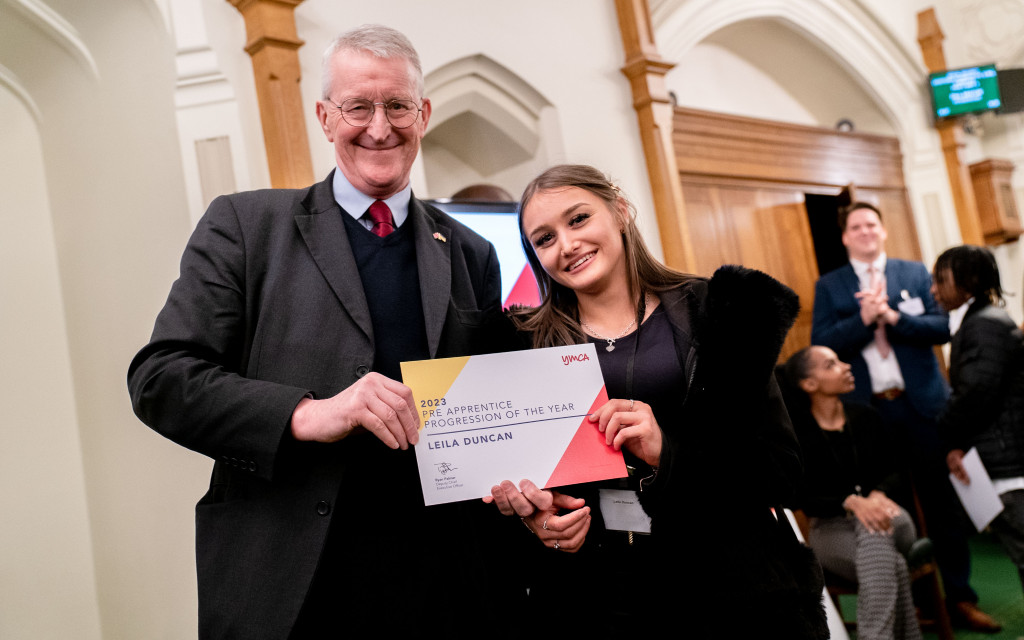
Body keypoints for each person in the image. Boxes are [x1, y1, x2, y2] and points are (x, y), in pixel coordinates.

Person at [128, 24, 523, 639]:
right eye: (357, 106)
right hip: (298, 586)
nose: (379, 127)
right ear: (323, 115)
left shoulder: (471, 252)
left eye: (396, 106)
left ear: (423, 113)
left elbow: (497, 411)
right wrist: (308, 414)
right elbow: (161, 380)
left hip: (447, 583)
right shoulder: (245, 226)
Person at [487, 164, 827, 637]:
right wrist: (538, 521)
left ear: (620, 210)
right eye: (544, 239)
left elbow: (781, 471)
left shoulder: (721, 314)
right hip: (600, 599)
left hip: (731, 591)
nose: (566, 245)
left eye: (578, 219)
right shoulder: (522, 346)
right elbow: (511, 489)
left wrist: (668, 452)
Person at [811, 202, 1000, 631]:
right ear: (845, 236)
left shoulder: (915, 273)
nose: (864, 232)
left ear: (883, 230)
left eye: (871, 224)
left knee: (941, 505)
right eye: (855, 227)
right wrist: (862, 320)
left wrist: (892, 317)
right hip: (868, 412)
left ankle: (960, 599)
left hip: (923, 406)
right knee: (889, 503)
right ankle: (912, 604)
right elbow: (821, 342)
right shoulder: (831, 285)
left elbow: (941, 327)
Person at [784, 346, 923, 640]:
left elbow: (898, 470)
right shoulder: (798, 435)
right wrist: (848, 503)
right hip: (831, 530)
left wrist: (877, 495)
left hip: (890, 515)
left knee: (875, 528)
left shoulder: (867, 417)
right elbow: (797, 497)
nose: (846, 366)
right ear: (810, 384)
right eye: (831, 364)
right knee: (891, 563)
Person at [932, 244, 1024, 595]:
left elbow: (975, 393)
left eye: (940, 280)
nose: (933, 290)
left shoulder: (982, 325)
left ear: (967, 282)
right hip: (1002, 451)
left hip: (1006, 459)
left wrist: (945, 433)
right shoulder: (984, 319)